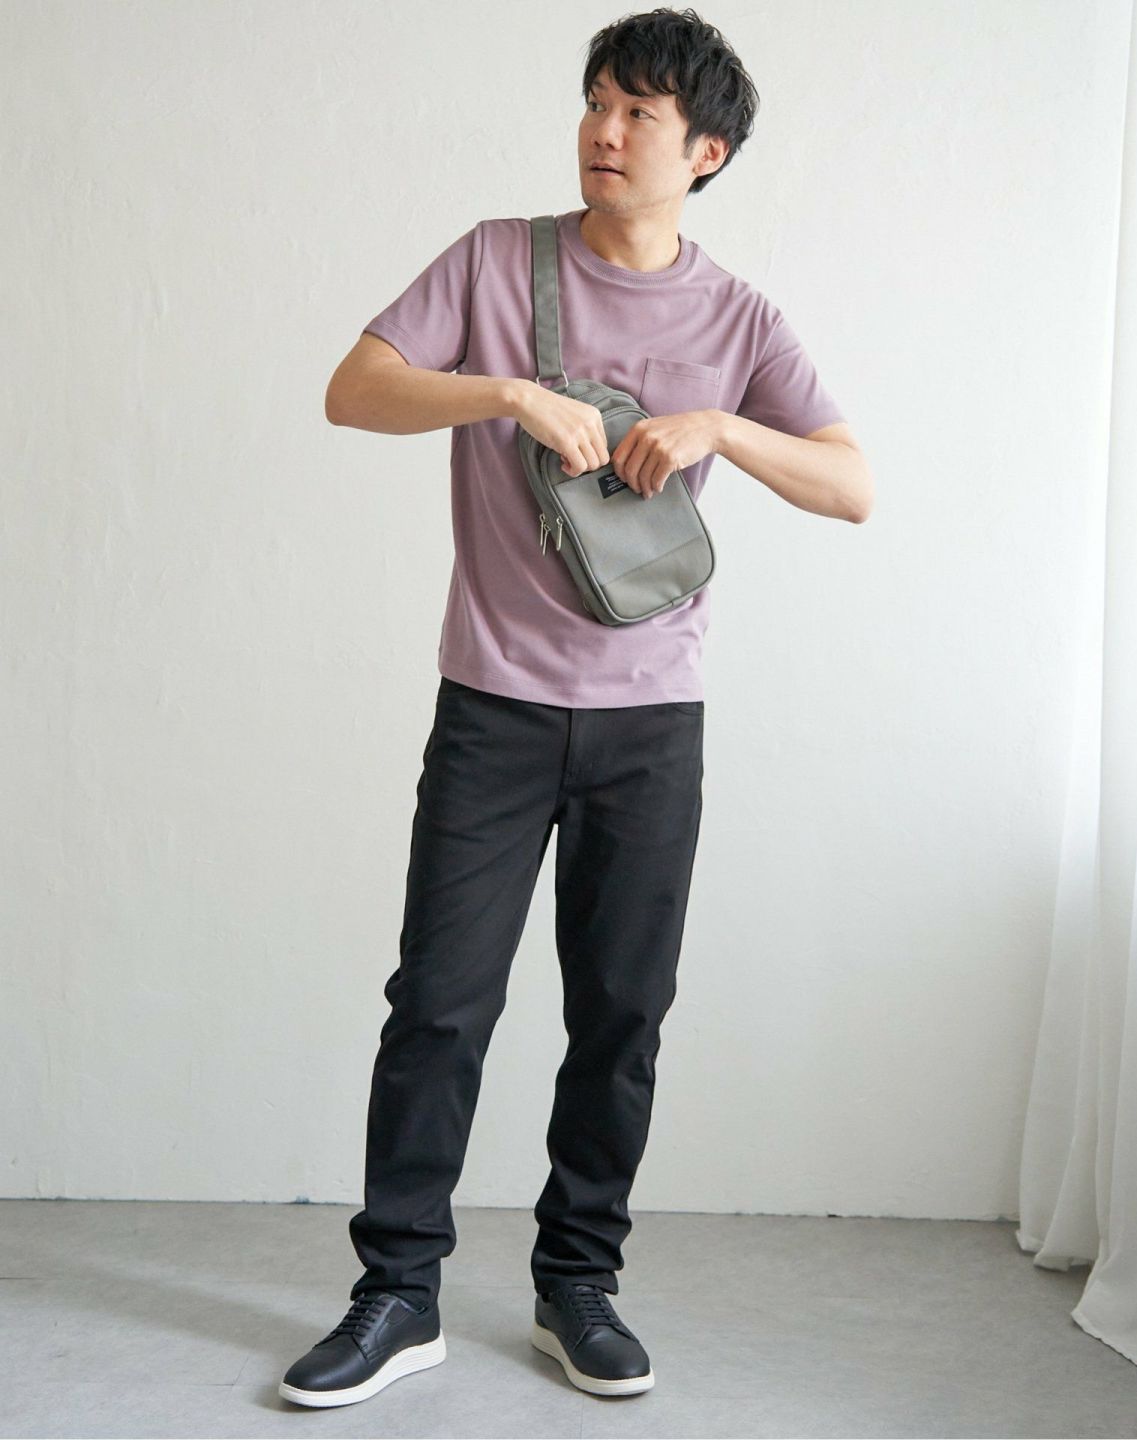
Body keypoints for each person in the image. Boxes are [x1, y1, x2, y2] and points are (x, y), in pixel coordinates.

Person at [279, 5, 873, 1412]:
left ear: (704, 151)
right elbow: (352, 391)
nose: (604, 132)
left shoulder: (739, 319)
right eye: (596, 102)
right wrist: (506, 394)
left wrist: (723, 428)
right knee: (439, 1004)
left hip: (652, 722)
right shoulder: (499, 258)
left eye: (639, 114)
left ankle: (578, 1285)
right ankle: (397, 1294)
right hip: (492, 703)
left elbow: (852, 484)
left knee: (622, 1012)